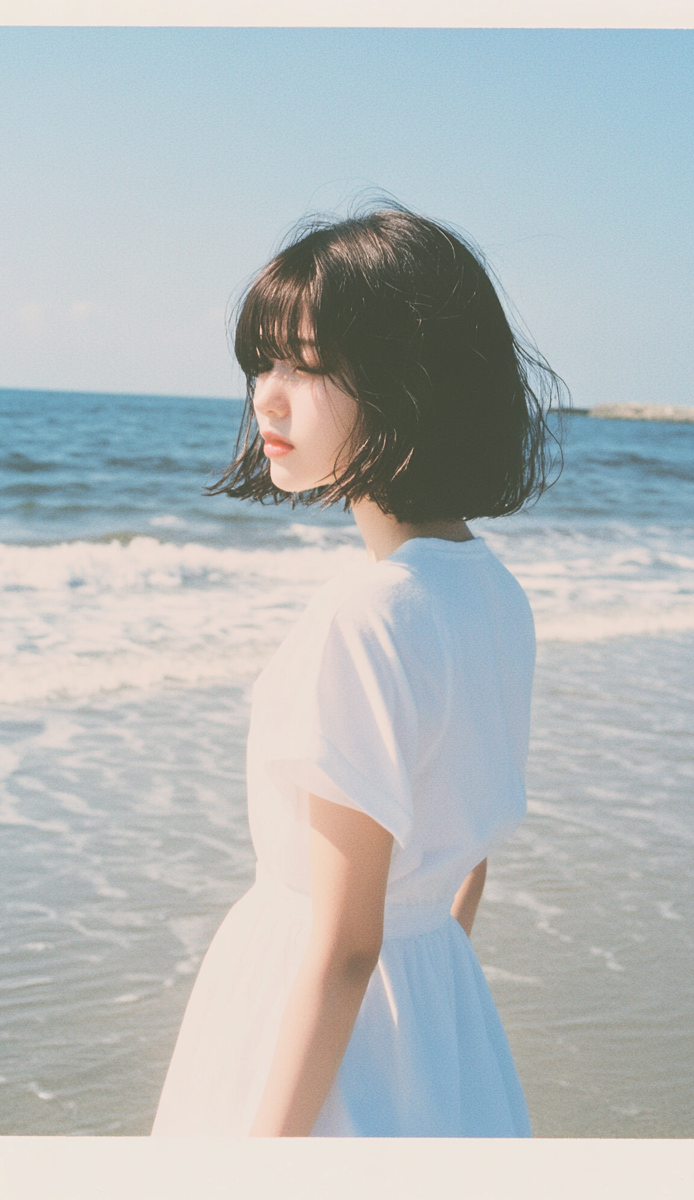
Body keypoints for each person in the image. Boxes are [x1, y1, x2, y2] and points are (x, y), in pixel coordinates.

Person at [151, 205, 563, 1138]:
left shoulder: (365, 615)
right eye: (262, 361)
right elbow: (467, 846)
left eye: (305, 363)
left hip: (315, 1016)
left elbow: (343, 948)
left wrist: (266, 1155)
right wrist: (426, 985)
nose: (267, 395)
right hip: (438, 1014)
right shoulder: (493, 594)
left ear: (406, 382)